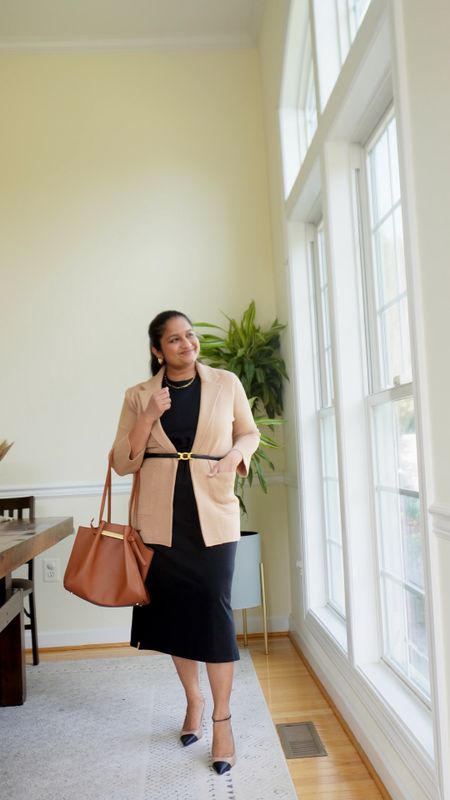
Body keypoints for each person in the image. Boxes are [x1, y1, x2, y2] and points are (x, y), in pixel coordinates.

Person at [111, 310, 260, 775]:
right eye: (174, 340)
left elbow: (248, 431)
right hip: (160, 520)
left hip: (213, 514)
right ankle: (193, 701)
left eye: (189, 335)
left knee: (214, 611)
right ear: (158, 350)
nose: (186, 344)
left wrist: (237, 452)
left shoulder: (226, 382)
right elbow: (121, 462)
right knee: (175, 613)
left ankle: (222, 719)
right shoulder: (139, 396)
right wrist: (148, 416)